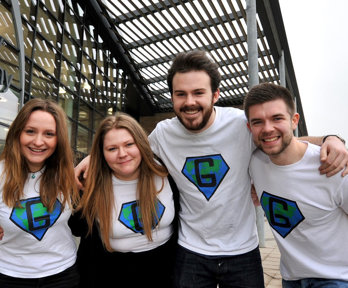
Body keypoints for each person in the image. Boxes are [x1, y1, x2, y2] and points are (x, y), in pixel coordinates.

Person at [75, 50, 348, 288]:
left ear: (215, 95)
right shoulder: (162, 134)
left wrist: (330, 139)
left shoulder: (241, 124)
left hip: (242, 250)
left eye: (198, 93)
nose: (189, 101)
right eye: (180, 94)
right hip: (190, 251)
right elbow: (127, 149)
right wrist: (94, 158)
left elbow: (282, 139)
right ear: (172, 97)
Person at [245, 82, 348, 288]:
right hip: (290, 278)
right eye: (258, 122)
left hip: (336, 278)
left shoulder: (333, 167)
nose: (267, 129)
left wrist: (334, 139)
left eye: (277, 118)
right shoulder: (255, 161)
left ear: (294, 120)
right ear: (249, 127)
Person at [69, 113, 176, 288]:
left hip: (164, 271)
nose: (122, 154)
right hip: (109, 275)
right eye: (112, 148)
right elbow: (77, 227)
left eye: (129, 144)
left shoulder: (166, 171)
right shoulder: (91, 183)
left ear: (141, 144)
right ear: (101, 153)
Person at [0, 98, 80, 287]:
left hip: (63, 275)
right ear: (17, 133)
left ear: (58, 139)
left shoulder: (70, 175)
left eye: (49, 134)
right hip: (8, 275)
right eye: (30, 131)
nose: (38, 141)